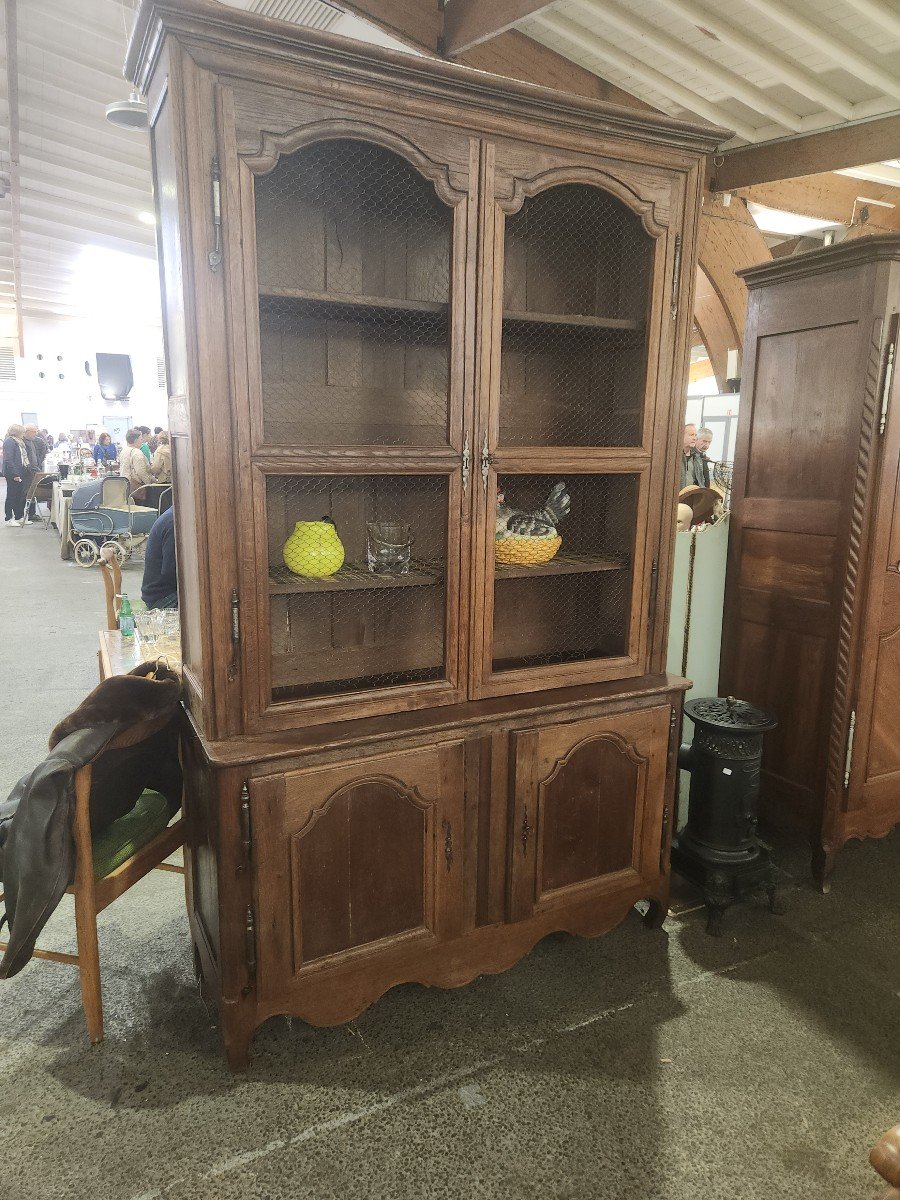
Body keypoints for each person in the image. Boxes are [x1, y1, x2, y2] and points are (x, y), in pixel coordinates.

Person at [142, 505, 178, 609]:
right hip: (162, 597)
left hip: (160, 593)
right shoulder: (173, 523)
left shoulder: (172, 516)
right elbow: (171, 571)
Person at [3, 423, 29, 525]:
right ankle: (9, 518)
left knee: (20, 495)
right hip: (12, 473)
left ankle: (19, 516)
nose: (24, 434)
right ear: (17, 432)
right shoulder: (10, 442)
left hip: (20, 471)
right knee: (12, 495)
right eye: (22, 432)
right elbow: (8, 459)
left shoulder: (19, 442)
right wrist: (15, 474)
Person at [120, 428, 152, 492]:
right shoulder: (137, 453)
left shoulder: (123, 451)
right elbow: (141, 472)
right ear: (135, 440)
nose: (142, 441)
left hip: (125, 484)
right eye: (140, 439)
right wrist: (149, 483)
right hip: (137, 487)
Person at [680, 423, 698, 490]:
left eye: (695, 435)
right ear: (682, 436)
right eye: (691, 435)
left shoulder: (697, 457)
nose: (694, 438)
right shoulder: (674, 457)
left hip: (692, 497)